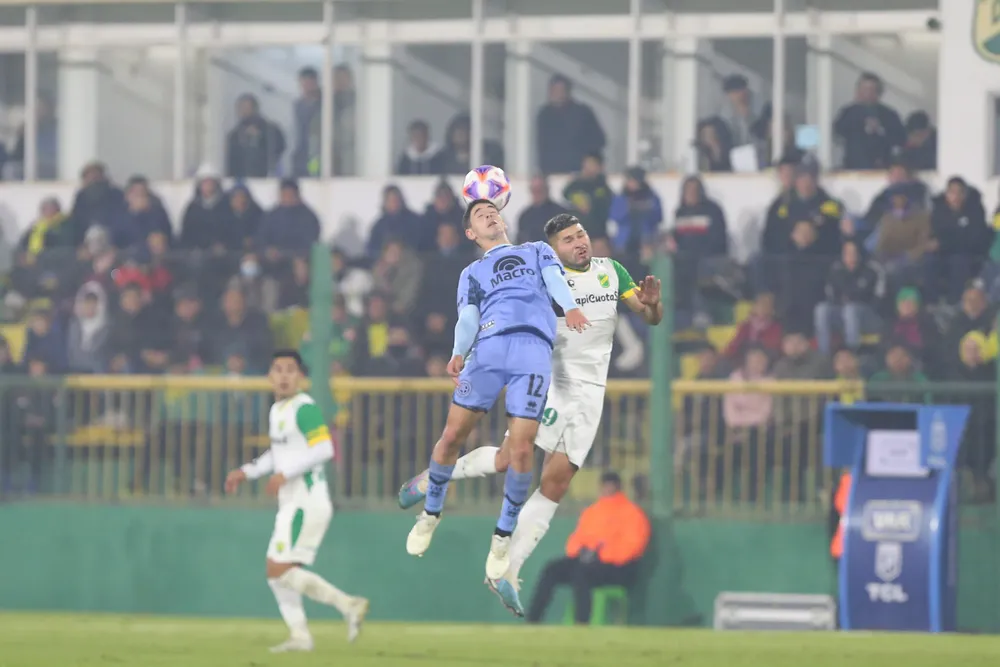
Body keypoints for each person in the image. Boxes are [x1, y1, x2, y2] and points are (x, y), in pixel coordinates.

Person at [398, 213, 663, 616]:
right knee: (510, 460)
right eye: (569, 239)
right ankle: (436, 476)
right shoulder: (542, 275)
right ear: (553, 251)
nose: (580, 243)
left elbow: (648, 315)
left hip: (592, 392)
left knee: (556, 483)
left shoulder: (612, 271)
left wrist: (653, 306)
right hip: (554, 379)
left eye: (582, 235)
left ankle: (508, 571)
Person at [403, 201, 589, 588]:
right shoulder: (471, 272)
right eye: (478, 214)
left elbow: (556, 281)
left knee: (521, 450)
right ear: (471, 234)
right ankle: (431, 514)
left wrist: (569, 307)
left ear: (502, 219)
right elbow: (468, 316)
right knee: (452, 436)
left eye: (491, 210)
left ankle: (502, 537)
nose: (488, 214)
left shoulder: (536, 250)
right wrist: (458, 350)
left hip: (532, 351)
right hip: (486, 350)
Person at [224, 350, 369, 653]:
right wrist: (245, 471)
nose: (284, 375)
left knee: (278, 570)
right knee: (276, 574)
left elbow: (324, 449)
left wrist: (285, 473)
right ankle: (302, 635)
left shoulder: (304, 408)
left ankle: (348, 605)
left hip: (307, 500)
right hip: (291, 502)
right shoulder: (278, 410)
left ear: (301, 377)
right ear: (269, 376)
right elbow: (278, 454)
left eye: (291, 370)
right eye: (278, 369)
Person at [525, 471, 650, 624]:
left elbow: (632, 547)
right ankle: (533, 620)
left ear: (618, 488)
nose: (607, 490)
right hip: (589, 563)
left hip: (619, 569)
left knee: (581, 573)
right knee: (551, 569)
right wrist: (581, 551)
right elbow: (575, 540)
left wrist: (601, 555)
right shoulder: (593, 512)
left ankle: (582, 622)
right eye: (605, 486)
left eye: (610, 486)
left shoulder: (632, 513)